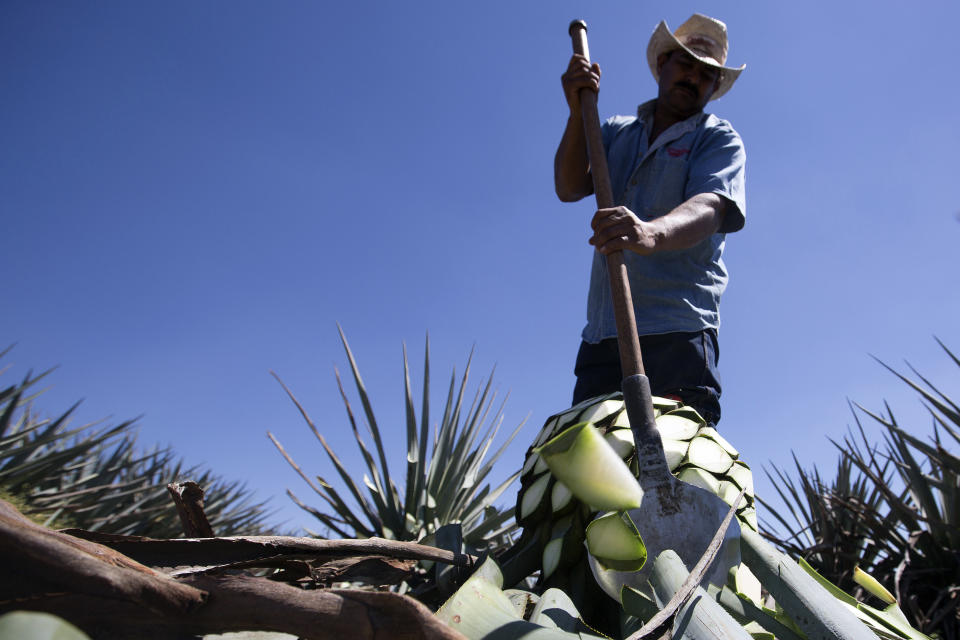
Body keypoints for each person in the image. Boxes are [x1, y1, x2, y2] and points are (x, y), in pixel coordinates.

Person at [555, 14, 746, 426]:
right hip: (604, 337)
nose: (693, 77)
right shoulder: (616, 132)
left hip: (677, 333)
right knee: (598, 479)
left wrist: (649, 232)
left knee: (679, 468)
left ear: (715, 88)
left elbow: (709, 208)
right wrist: (576, 111)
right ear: (663, 64)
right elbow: (570, 187)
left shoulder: (716, 138)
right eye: (685, 64)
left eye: (706, 74)